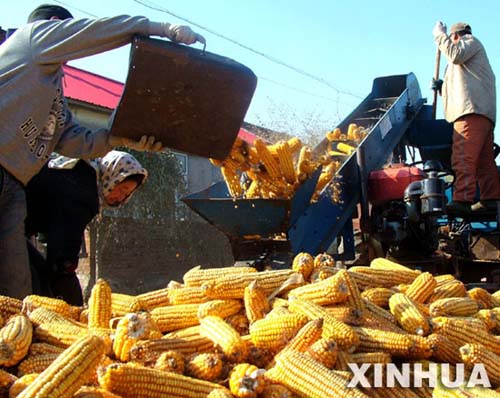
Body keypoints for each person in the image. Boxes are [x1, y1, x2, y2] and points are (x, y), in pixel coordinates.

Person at [0, 4, 205, 298]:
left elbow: (74, 141)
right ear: (56, 27)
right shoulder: (32, 39)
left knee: (15, 294)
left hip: (13, 190)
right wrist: (156, 29)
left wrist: (121, 137)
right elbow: (96, 32)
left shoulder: (55, 93)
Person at [25, 150, 148, 305]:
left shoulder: (81, 173)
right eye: (122, 189)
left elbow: (51, 229)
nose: (121, 198)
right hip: (7, 217)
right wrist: (75, 308)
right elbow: (63, 261)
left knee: (39, 274)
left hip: (16, 221)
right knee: (25, 281)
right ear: (113, 175)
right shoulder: (82, 192)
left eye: (127, 194)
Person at [432, 21, 498, 214]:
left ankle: (462, 199)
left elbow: (454, 55)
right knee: (484, 162)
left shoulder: (470, 42)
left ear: (455, 36)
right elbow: (465, 87)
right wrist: (443, 88)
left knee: (463, 157)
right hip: (482, 115)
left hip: (469, 113)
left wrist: (439, 35)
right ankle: (491, 198)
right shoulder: (473, 56)